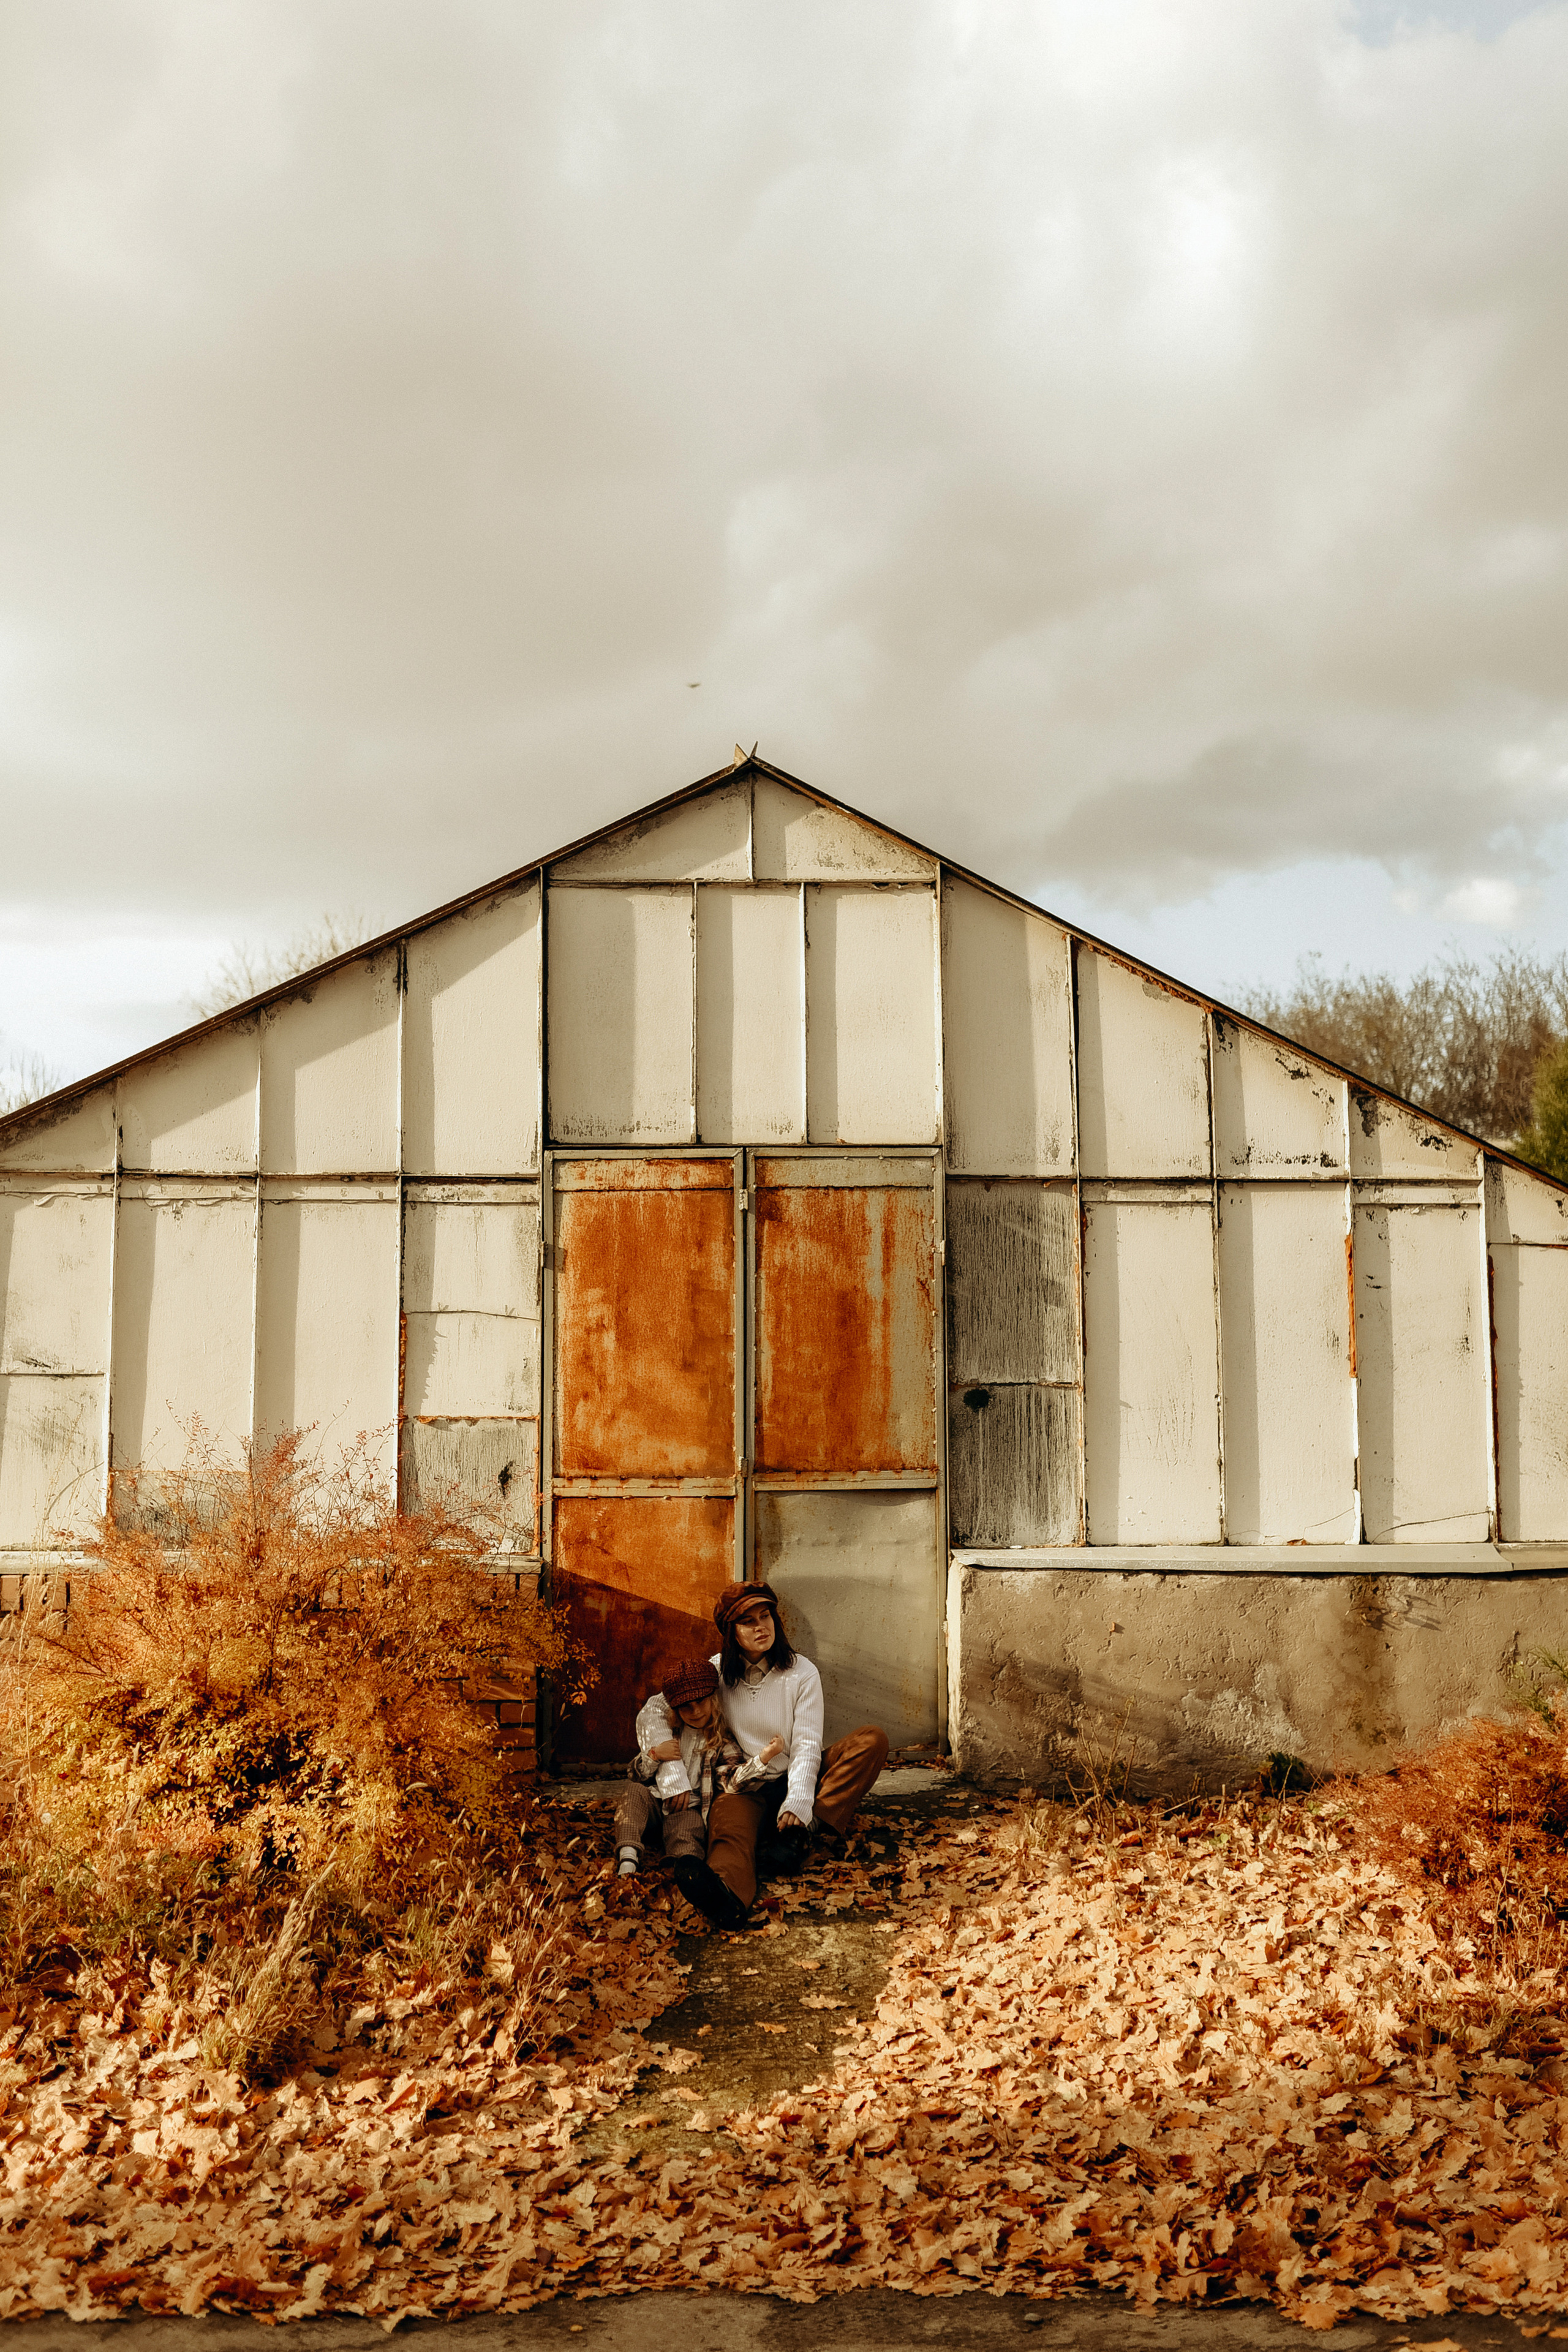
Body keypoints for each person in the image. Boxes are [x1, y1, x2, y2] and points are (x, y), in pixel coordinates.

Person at [641, 1583, 890, 1926]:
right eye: (748, 1621)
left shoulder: (802, 1673)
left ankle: (802, 1831)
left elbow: (806, 1743)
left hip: (798, 1774)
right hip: (745, 1782)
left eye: (766, 1615)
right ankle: (726, 1896)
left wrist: (800, 1801)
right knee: (729, 1834)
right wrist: (672, 1774)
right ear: (731, 1632)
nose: (762, 1626)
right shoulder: (715, 1672)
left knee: (871, 1740)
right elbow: (655, 1708)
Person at [612, 1657, 782, 1928]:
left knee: (687, 1830)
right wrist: (655, 1755)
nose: (694, 1711)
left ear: (713, 1699)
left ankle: (685, 1879)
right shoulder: (667, 1731)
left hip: (688, 1807)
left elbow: (730, 1781)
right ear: (675, 1708)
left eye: (700, 1702)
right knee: (633, 1794)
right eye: (685, 1707)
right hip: (655, 1803)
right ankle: (628, 1860)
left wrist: (761, 1760)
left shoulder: (720, 1741)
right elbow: (636, 1774)